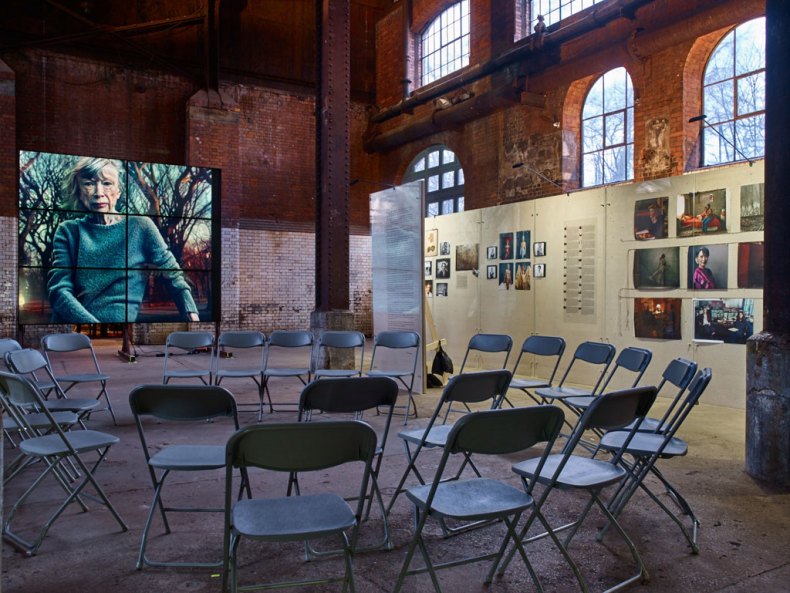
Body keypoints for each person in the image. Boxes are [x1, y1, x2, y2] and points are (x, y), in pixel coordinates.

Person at [48, 157, 200, 324]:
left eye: (107, 183)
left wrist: (191, 313)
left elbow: (171, 272)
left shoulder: (140, 227)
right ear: (78, 191)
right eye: (89, 183)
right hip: (75, 333)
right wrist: (93, 328)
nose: (99, 193)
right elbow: (59, 291)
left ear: (118, 191)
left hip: (121, 331)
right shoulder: (68, 231)